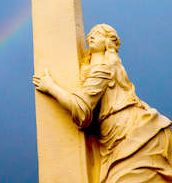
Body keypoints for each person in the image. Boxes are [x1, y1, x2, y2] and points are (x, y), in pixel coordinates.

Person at [33, 24, 172, 183]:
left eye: (98, 34)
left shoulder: (103, 68)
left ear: (108, 41)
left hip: (135, 136)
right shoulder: (101, 67)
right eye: (91, 34)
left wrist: (50, 87)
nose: (91, 36)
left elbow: (80, 108)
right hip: (123, 136)